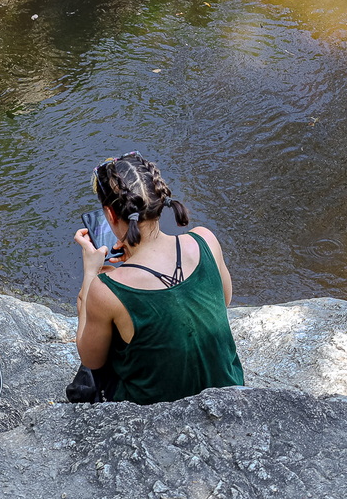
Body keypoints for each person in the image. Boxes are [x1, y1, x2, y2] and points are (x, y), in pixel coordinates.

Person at [71, 152, 244, 404]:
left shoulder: (106, 290)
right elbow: (224, 300)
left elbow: (91, 359)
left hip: (156, 415)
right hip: (230, 394)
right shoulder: (205, 240)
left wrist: (90, 275)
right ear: (159, 200)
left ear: (110, 215)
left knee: (89, 372)